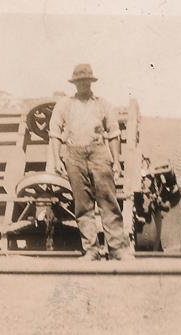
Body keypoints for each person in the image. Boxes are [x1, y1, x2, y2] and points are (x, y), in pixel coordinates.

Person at [47, 64, 134, 261]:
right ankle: (91, 250)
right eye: (80, 82)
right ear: (74, 83)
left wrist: (117, 162)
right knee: (83, 205)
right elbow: (54, 133)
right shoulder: (64, 105)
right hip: (74, 155)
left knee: (108, 202)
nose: (83, 85)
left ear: (91, 82)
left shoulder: (103, 104)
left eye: (86, 81)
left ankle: (117, 249)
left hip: (99, 154)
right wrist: (56, 160)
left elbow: (113, 134)